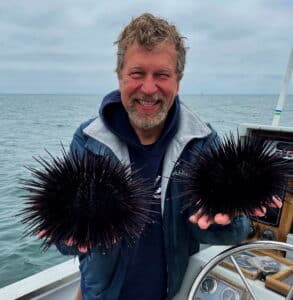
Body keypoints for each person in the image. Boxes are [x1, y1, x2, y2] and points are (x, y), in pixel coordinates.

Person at [56, 13, 281, 300]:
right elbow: (66, 239)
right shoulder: (88, 142)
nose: (149, 89)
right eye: (137, 74)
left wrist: (231, 217)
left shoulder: (201, 143)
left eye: (162, 75)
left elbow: (225, 234)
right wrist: (69, 235)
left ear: (178, 79)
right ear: (120, 75)